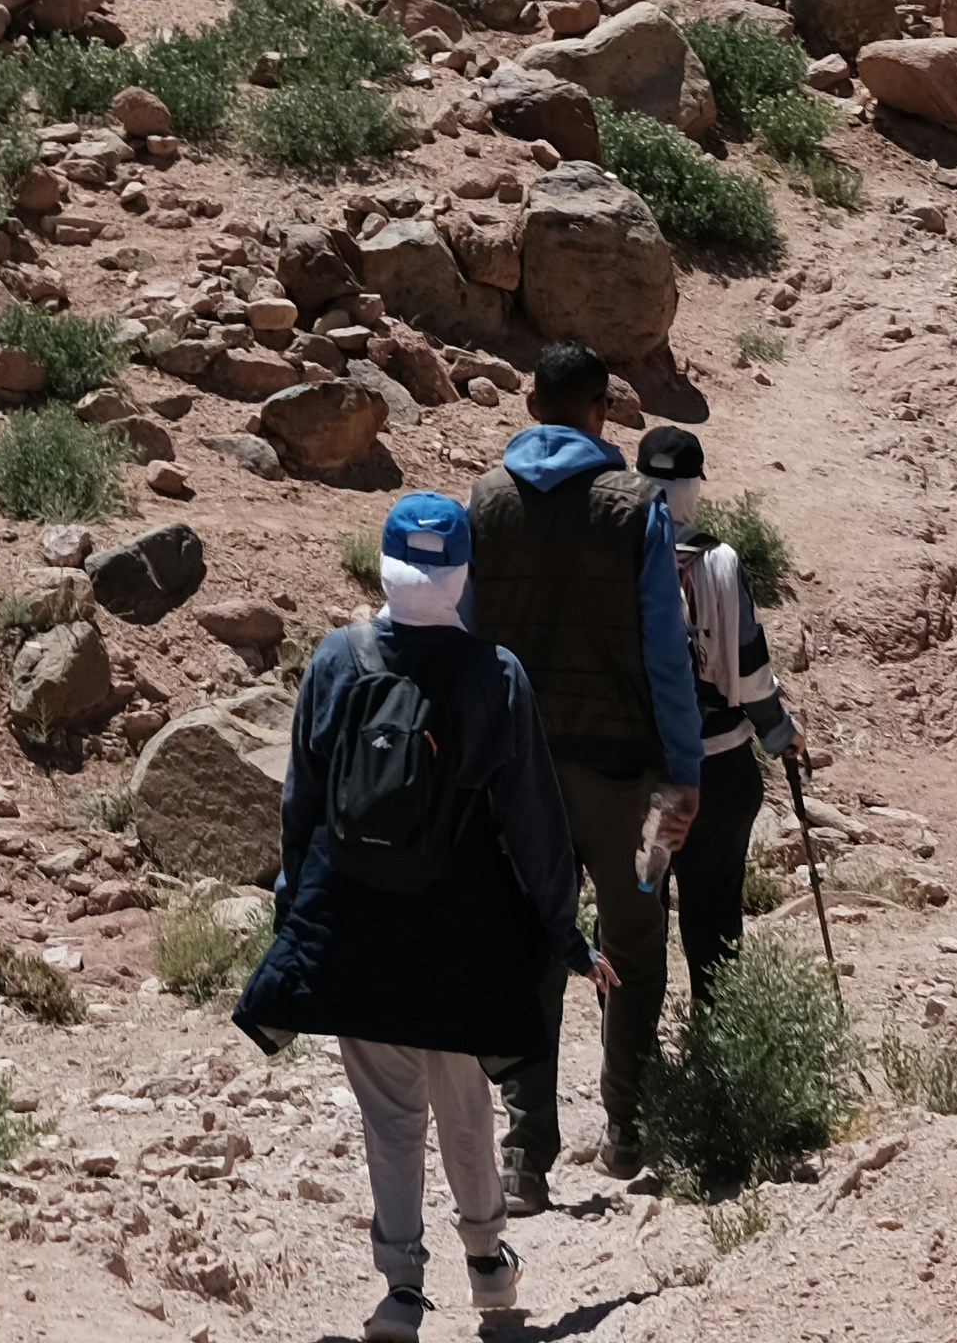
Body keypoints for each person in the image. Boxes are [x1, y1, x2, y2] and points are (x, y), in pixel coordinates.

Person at [233, 491, 606, 1340]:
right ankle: (487, 1264)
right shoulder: (494, 673)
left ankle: (401, 1288)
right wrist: (562, 932)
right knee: (463, 1097)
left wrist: (300, 915)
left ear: (387, 568)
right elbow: (536, 822)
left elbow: (302, 803)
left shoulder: (336, 658)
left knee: (388, 1113)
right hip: (461, 933)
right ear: (460, 575)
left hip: (359, 927)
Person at [467, 345, 704, 1194]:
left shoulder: (485, 501)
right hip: (626, 775)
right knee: (634, 949)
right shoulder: (635, 508)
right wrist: (686, 774)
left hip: (517, 771)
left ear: (532, 406)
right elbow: (665, 656)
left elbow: (466, 644)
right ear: (602, 409)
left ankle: (527, 1158)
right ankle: (626, 1133)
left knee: (531, 948)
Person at [637, 424, 788, 1023]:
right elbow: (751, 673)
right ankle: (720, 1060)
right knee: (716, 919)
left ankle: (633, 1071)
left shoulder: (619, 556)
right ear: (694, 486)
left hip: (645, 775)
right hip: (721, 767)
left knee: (638, 919)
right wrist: (779, 732)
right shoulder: (720, 561)